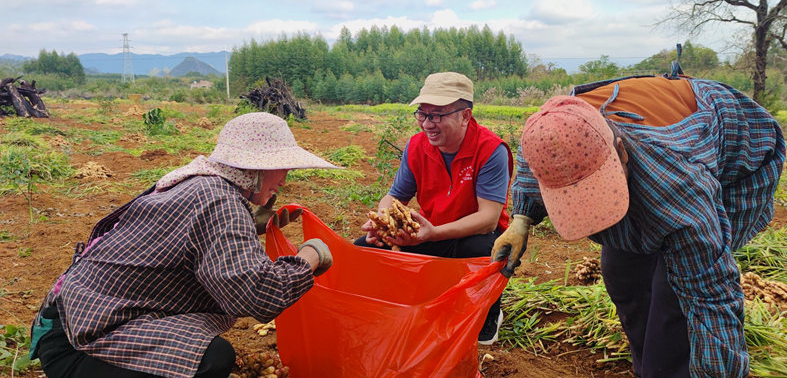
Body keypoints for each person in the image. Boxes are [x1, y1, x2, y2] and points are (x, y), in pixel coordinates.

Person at [491, 73, 785, 378]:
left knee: (674, 297)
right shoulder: (551, 132)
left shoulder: (677, 189)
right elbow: (529, 163)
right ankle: (647, 366)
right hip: (658, 151)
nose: (590, 206)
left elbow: (711, 296)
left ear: (622, 151)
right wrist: (521, 221)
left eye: (598, 190)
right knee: (622, 274)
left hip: (739, 159)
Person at [30, 112, 339, 378]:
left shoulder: (200, 181)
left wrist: (252, 224)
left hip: (71, 320)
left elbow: (188, 236)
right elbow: (257, 296)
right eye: (282, 166)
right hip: (80, 343)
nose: (285, 179)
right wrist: (309, 256)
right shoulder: (220, 202)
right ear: (254, 167)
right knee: (212, 359)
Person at [355, 72, 514, 345]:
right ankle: (409, 299)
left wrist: (433, 233)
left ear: (465, 115)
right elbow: (394, 196)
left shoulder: (490, 150)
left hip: (473, 236)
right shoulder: (417, 146)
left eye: (437, 115)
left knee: (490, 252)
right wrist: (383, 220)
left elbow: (488, 219)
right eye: (422, 114)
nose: (428, 124)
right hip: (431, 229)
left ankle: (489, 312)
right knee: (365, 248)